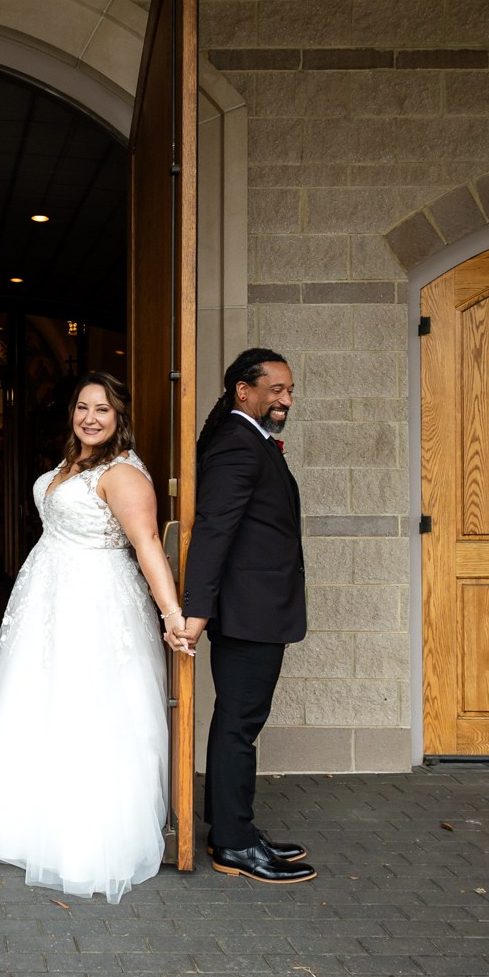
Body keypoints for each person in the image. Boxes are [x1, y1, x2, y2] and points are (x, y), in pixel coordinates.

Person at [0, 373, 193, 903]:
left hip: (94, 601)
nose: (90, 417)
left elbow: (148, 541)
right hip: (48, 599)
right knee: (40, 705)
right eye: (82, 407)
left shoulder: (123, 473)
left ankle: (86, 840)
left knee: (88, 706)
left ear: (118, 416)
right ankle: (27, 821)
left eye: (101, 410)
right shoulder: (75, 464)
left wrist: (172, 612)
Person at [172, 347, 316, 884]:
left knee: (238, 723)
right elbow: (214, 529)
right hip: (247, 614)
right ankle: (232, 845)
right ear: (243, 390)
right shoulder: (238, 444)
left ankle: (236, 828)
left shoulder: (248, 439)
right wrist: (196, 612)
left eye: (290, 390)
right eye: (276, 389)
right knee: (238, 727)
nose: (285, 399)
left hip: (258, 611)